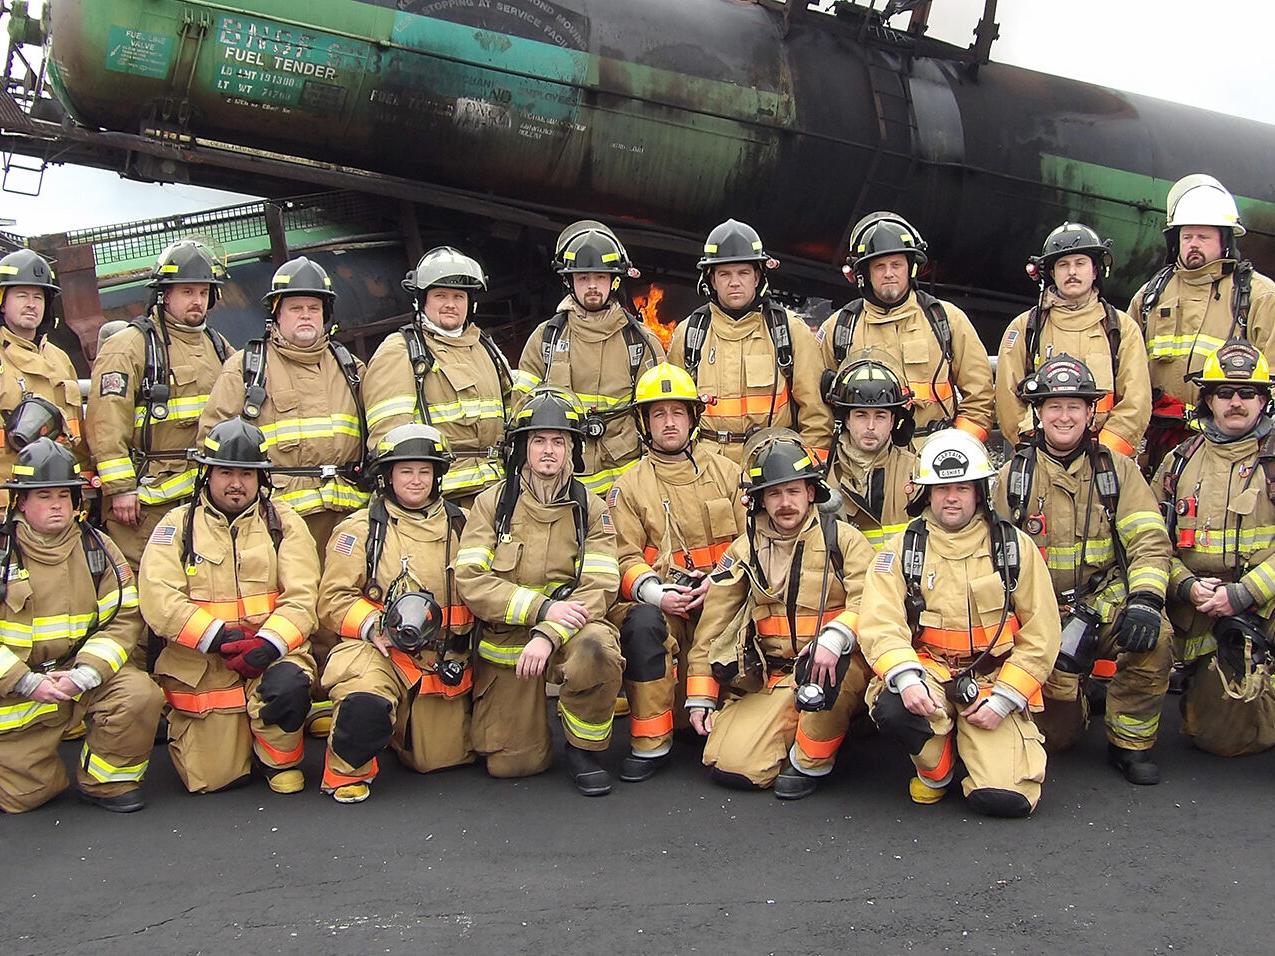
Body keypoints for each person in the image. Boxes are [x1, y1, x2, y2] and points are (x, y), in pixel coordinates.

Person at [198, 257, 366, 733]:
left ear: (326, 315)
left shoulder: (350, 368)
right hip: (279, 516)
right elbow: (215, 439)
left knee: (340, 602)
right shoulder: (245, 368)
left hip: (346, 510)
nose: (305, 317)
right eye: (295, 308)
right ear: (276, 314)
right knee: (288, 601)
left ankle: (334, 696)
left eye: (313, 308)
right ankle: (294, 697)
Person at [858, 429, 1061, 817]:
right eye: (942, 488)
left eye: (962, 488)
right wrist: (907, 677)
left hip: (992, 683)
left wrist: (1004, 699)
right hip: (929, 677)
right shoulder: (902, 550)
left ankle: (980, 748)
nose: (951, 497)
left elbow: (1042, 634)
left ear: (979, 493)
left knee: (1004, 801)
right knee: (893, 706)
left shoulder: (1014, 548)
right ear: (926, 493)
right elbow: (880, 623)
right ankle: (937, 770)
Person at [994, 355, 1172, 784]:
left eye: (1075, 406)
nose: (1064, 416)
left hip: (1103, 604)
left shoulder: (1118, 471)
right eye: (1054, 406)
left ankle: (1129, 744)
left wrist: (1146, 601)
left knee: (1156, 637)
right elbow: (993, 556)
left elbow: (1149, 540)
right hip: (1040, 615)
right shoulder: (1011, 478)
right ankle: (1078, 699)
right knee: (1058, 737)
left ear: (1091, 412)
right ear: (1038, 413)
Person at [455, 387, 624, 794]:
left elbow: (600, 585)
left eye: (559, 442)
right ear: (522, 448)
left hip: (570, 631)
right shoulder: (493, 505)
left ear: (572, 450)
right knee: (512, 765)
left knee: (598, 649)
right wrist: (541, 609)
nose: (549, 451)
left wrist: (549, 633)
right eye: (539, 441)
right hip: (508, 646)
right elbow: (470, 579)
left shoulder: (592, 508)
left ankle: (583, 749)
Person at [686, 434, 874, 798]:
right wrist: (701, 696)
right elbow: (714, 625)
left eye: (793, 491)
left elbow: (871, 605)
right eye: (774, 494)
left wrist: (835, 638)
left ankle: (811, 761)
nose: (785, 503)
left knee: (831, 676)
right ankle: (800, 726)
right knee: (732, 766)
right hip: (774, 677)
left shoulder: (844, 541)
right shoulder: (744, 550)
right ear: (760, 500)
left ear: (811, 492)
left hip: (834, 665)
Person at [138, 418, 320, 794]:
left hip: (269, 658)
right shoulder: (177, 525)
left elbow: (303, 597)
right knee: (214, 779)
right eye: (226, 472)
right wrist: (216, 637)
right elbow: (159, 598)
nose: (236, 483)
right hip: (203, 667)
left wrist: (269, 644)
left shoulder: (284, 524)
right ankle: (234, 740)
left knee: (287, 685)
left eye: (247, 473)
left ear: (261, 478)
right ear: (207, 475)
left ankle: (278, 761)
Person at [0, 439, 162, 813]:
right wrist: (25, 681)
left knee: (139, 693)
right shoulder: (3, 552)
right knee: (27, 797)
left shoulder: (97, 547)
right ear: (21, 502)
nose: (57, 504)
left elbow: (124, 617)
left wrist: (86, 673)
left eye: (64, 495)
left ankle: (107, 781)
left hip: (77, 674)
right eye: (44, 496)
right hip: (15, 690)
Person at [316, 424, 474, 803]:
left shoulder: (466, 525)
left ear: (437, 475)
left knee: (437, 760)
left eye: (425, 471)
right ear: (388, 475)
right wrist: (373, 626)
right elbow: (333, 599)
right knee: (364, 699)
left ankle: (398, 730)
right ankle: (346, 773)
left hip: (445, 659)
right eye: (406, 471)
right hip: (383, 655)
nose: (416, 480)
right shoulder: (360, 530)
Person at [606, 362, 744, 782]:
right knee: (642, 624)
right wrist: (656, 594)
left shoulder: (728, 474)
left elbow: (754, 542)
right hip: (666, 605)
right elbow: (622, 557)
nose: (669, 422)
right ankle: (652, 743)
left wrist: (720, 581)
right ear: (644, 423)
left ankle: (728, 721)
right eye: (658, 414)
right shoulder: (628, 487)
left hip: (722, 598)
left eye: (678, 412)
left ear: (693, 417)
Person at [1153, 340, 1275, 756]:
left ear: (1264, 400)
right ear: (1207, 399)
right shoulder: (1178, 462)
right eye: (1224, 392)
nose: (1236, 402)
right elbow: (1150, 542)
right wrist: (1185, 585)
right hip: (1202, 613)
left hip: (1265, 604)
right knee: (1221, 740)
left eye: (1247, 393)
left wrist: (1245, 592)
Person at [87, 239, 232, 580]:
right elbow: (106, 420)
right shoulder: (129, 346)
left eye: (203, 292)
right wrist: (120, 488)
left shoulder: (218, 346)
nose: (197, 300)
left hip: (200, 495)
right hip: (146, 503)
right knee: (146, 583)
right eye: (187, 291)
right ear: (165, 295)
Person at [1131, 174, 1275, 472]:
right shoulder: (1150, 295)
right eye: (1187, 237)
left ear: (1225, 240)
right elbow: (1125, 369)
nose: (1193, 244)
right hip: (1158, 444)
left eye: (1203, 237)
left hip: (1229, 450)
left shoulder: (1260, 296)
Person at [514, 223, 663, 495]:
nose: (592, 286)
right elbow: (522, 411)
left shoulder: (641, 341)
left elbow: (659, 414)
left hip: (626, 480)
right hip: (560, 482)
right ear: (569, 282)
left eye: (600, 277)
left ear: (614, 281)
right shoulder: (546, 339)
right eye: (583, 278)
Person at [818, 213, 993, 444]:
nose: (889, 273)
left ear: (910, 268)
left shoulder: (947, 319)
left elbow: (980, 398)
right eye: (879, 266)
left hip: (931, 455)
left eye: (896, 265)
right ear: (865, 274)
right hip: (864, 458)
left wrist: (957, 446)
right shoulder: (839, 328)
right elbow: (817, 407)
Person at [667, 219, 831, 463]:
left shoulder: (789, 331)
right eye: (724, 274)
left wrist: (807, 469)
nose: (734, 282)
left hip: (774, 463)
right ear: (711, 280)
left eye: (743, 273)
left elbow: (816, 415)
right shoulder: (689, 334)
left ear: (757, 277)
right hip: (706, 465)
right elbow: (672, 412)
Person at [363, 246, 512, 507]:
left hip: (494, 491)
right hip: (441, 498)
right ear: (422, 300)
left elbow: (512, 411)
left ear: (471, 303)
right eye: (440, 295)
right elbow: (387, 439)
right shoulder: (400, 351)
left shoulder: (485, 348)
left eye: (459, 296)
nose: (450, 304)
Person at [996, 222, 1150, 458]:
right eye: (1063, 265)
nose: (1072, 272)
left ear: (1095, 271)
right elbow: (1007, 399)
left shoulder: (1122, 328)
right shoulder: (1025, 328)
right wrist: (1037, 446)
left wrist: (1104, 455)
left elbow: (1136, 402)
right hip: (1042, 457)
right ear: (1052, 273)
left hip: (1104, 459)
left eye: (1080, 263)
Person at [0, 249, 88, 505]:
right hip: (8, 499)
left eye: (38, 297)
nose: (31, 304)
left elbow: (79, 435)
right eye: (22, 295)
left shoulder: (60, 359)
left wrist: (84, 490)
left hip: (61, 498)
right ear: (2, 302)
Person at [823, 355, 918, 549]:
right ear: (846, 420)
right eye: (861, 415)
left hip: (900, 568)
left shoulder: (915, 471)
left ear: (892, 421)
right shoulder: (826, 475)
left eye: (880, 416)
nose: (871, 426)